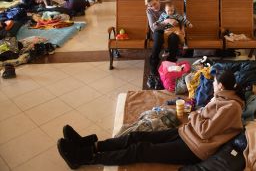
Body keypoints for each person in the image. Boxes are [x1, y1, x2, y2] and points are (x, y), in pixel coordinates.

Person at [57, 70, 245, 169]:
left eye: (213, 83)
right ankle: (90, 145)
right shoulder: (222, 99)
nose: (212, 85)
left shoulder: (231, 107)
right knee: (136, 136)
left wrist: (195, 113)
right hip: (187, 133)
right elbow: (203, 122)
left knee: (140, 150)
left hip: (195, 148)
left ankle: (83, 157)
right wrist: (199, 114)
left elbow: (205, 130)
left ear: (220, 85)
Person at [143, 0, 181, 90]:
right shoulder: (149, 11)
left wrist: (166, 24)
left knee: (174, 39)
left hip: (171, 30)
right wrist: (167, 22)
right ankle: (153, 72)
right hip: (158, 32)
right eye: (151, 6)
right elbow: (153, 27)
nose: (154, 7)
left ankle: (169, 67)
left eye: (155, 4)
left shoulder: (168, 4)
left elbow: (177, 21)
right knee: (158, 40)